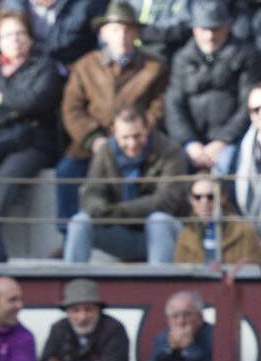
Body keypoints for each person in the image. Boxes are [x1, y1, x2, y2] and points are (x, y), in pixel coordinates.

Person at [64, 104, 189, 264]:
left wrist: (123, 211)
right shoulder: (106, 152)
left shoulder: (170, 150)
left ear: (147, 129)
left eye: (137, 136)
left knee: (158, 221)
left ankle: (160, 283)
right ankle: (73, 283)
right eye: (125, 138)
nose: (132, 144)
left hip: (164, 234)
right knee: (79, 222)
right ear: (114, 132)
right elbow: (91, 192)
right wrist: (99, 208)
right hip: (121, 233)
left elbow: (167, 200)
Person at [36, 276, 134, 361]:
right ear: (67, 312)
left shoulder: (114, 329)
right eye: (75, 310)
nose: (82, 317)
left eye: (88, 309)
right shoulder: (58, 329)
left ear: (99, 310)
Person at [139, 289, 217, 361]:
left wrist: (190, 348)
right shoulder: (163, 339)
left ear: (200, 318)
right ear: (168, 321)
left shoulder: (214, 337)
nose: (181, 321)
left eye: (187, 314)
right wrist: (167, 350)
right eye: (175, 316)